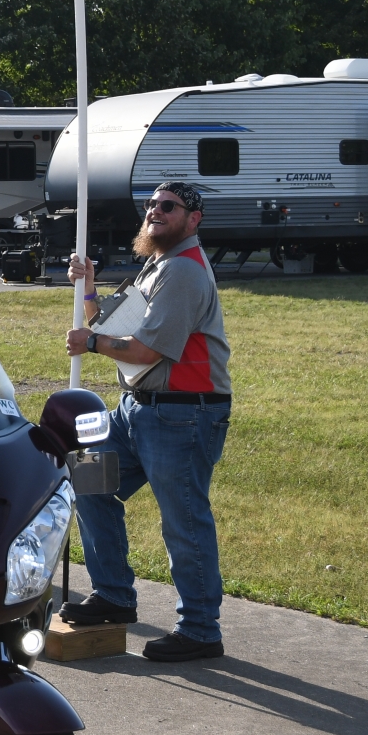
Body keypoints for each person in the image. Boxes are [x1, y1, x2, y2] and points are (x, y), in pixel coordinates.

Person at [63, 180, 233, 663]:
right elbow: (112, 327)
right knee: (87, 477)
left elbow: (143, 351)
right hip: (138, 407)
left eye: (168, 206)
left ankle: (200, 629)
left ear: (193, 219)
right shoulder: (158, 264)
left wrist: (90, 343)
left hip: (184, 412)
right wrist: (89, 285)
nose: (155, 211)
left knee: (183, 520)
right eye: (151, 204)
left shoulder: (183, 271)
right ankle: (113, 595)